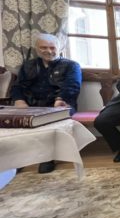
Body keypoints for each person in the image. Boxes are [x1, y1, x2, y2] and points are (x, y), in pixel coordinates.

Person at [11, 33, 82, 173]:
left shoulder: (71, 65)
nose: (48, 51)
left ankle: (48, 157)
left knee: (50, 119)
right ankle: (22, 156)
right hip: (31, 104)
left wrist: (60, 99)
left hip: (61, 104)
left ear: (59, 48)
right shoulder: (28, 65)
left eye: (52, 47)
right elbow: (18, 86)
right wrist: (20, 101)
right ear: (36, 48)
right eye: (43, 47)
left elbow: (72, 86)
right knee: (16, 121)